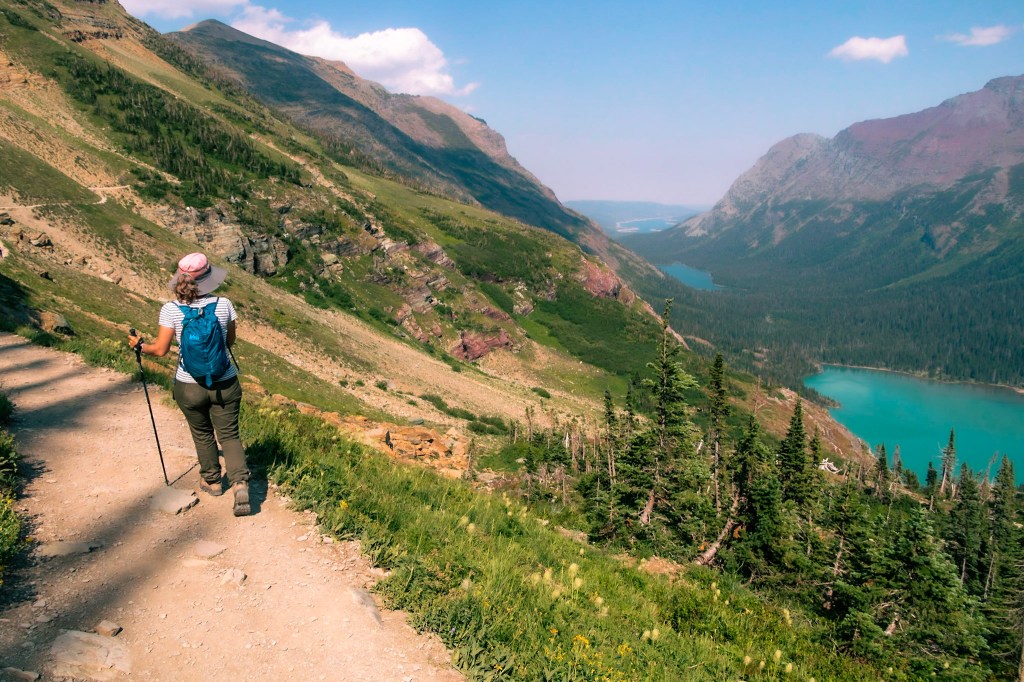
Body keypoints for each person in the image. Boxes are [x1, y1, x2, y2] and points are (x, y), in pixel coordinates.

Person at [128, 253, 250, 516]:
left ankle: (213, 481)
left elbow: (160, 350)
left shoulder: (170, 309)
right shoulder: (223, 304)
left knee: (202, 432)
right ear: (208, 279)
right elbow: (229, 342)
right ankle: (240, 483)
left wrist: (139, 345)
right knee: (229, 434)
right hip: (225, 381)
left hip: (189, 384)